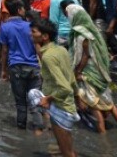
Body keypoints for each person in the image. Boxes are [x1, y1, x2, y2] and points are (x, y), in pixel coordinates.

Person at [66, 4, 117, 133]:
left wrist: (77, 71)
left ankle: (103, 134)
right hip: (99, 70)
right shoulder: (93, 31)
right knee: (108, 102)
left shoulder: (80, 33)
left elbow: (83, 55)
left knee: (93, 103)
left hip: (87, 71)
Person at [29, 18, 79, 157]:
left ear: (45, 36)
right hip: (68, 106)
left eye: (33, 32)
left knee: (67, 153)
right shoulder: (61, 49)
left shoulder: (48, 57)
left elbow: (64, 88)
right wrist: (78, 96)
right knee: (68, 150)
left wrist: (48, 99)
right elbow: (71, 77)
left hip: (60, 107)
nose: (30, 34)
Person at [0, 0, 41, 130]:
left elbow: (4, 51)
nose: (25, 10)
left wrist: (3, 70)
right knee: (36, 101)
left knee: (21, 104)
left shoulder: (4, 27)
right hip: (33, 66)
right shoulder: (30, 27)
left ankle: (21, 129)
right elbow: (38, 47)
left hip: (15, 67)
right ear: (19, 10)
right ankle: (39, 129)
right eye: (23, 8)